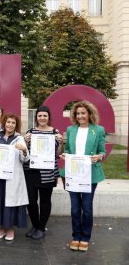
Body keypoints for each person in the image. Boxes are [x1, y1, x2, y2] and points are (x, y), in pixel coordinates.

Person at [60, 101, 106, 252]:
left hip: (90, 174)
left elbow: (102, 151)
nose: (80, 116)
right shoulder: (71, 130)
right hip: (73, 174)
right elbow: (67, 149)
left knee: (86, 208)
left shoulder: (98, 130)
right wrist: (65, 155)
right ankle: (76, 236)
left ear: (89, 114)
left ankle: (85, 237)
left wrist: (99, 156)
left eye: (83, 113)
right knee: (74, 209)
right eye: (77, 113)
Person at [0, 114, 29, 241]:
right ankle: (1, 227)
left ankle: (10, 228)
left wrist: (24, 150)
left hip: (13, 177)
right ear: (4, 123)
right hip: (0, 177)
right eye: (8, 122)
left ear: (16, 126)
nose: (10, 125)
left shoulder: (19, 139)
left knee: (11, 203)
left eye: (13, 123)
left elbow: (25, 159)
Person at [23, 106, 63, 239]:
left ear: (48, 117)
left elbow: (58, 154)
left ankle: (41, 227)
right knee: (31, 200)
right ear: (36, 118)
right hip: (31, 171)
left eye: (45, 116)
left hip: (48, 172)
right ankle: (35, 225)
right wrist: (25, 141)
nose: (42, 118)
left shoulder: (54, 133)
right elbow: (25, 153)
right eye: (40, 116)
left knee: (45, 200)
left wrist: (61, 143)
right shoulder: (31, 131)